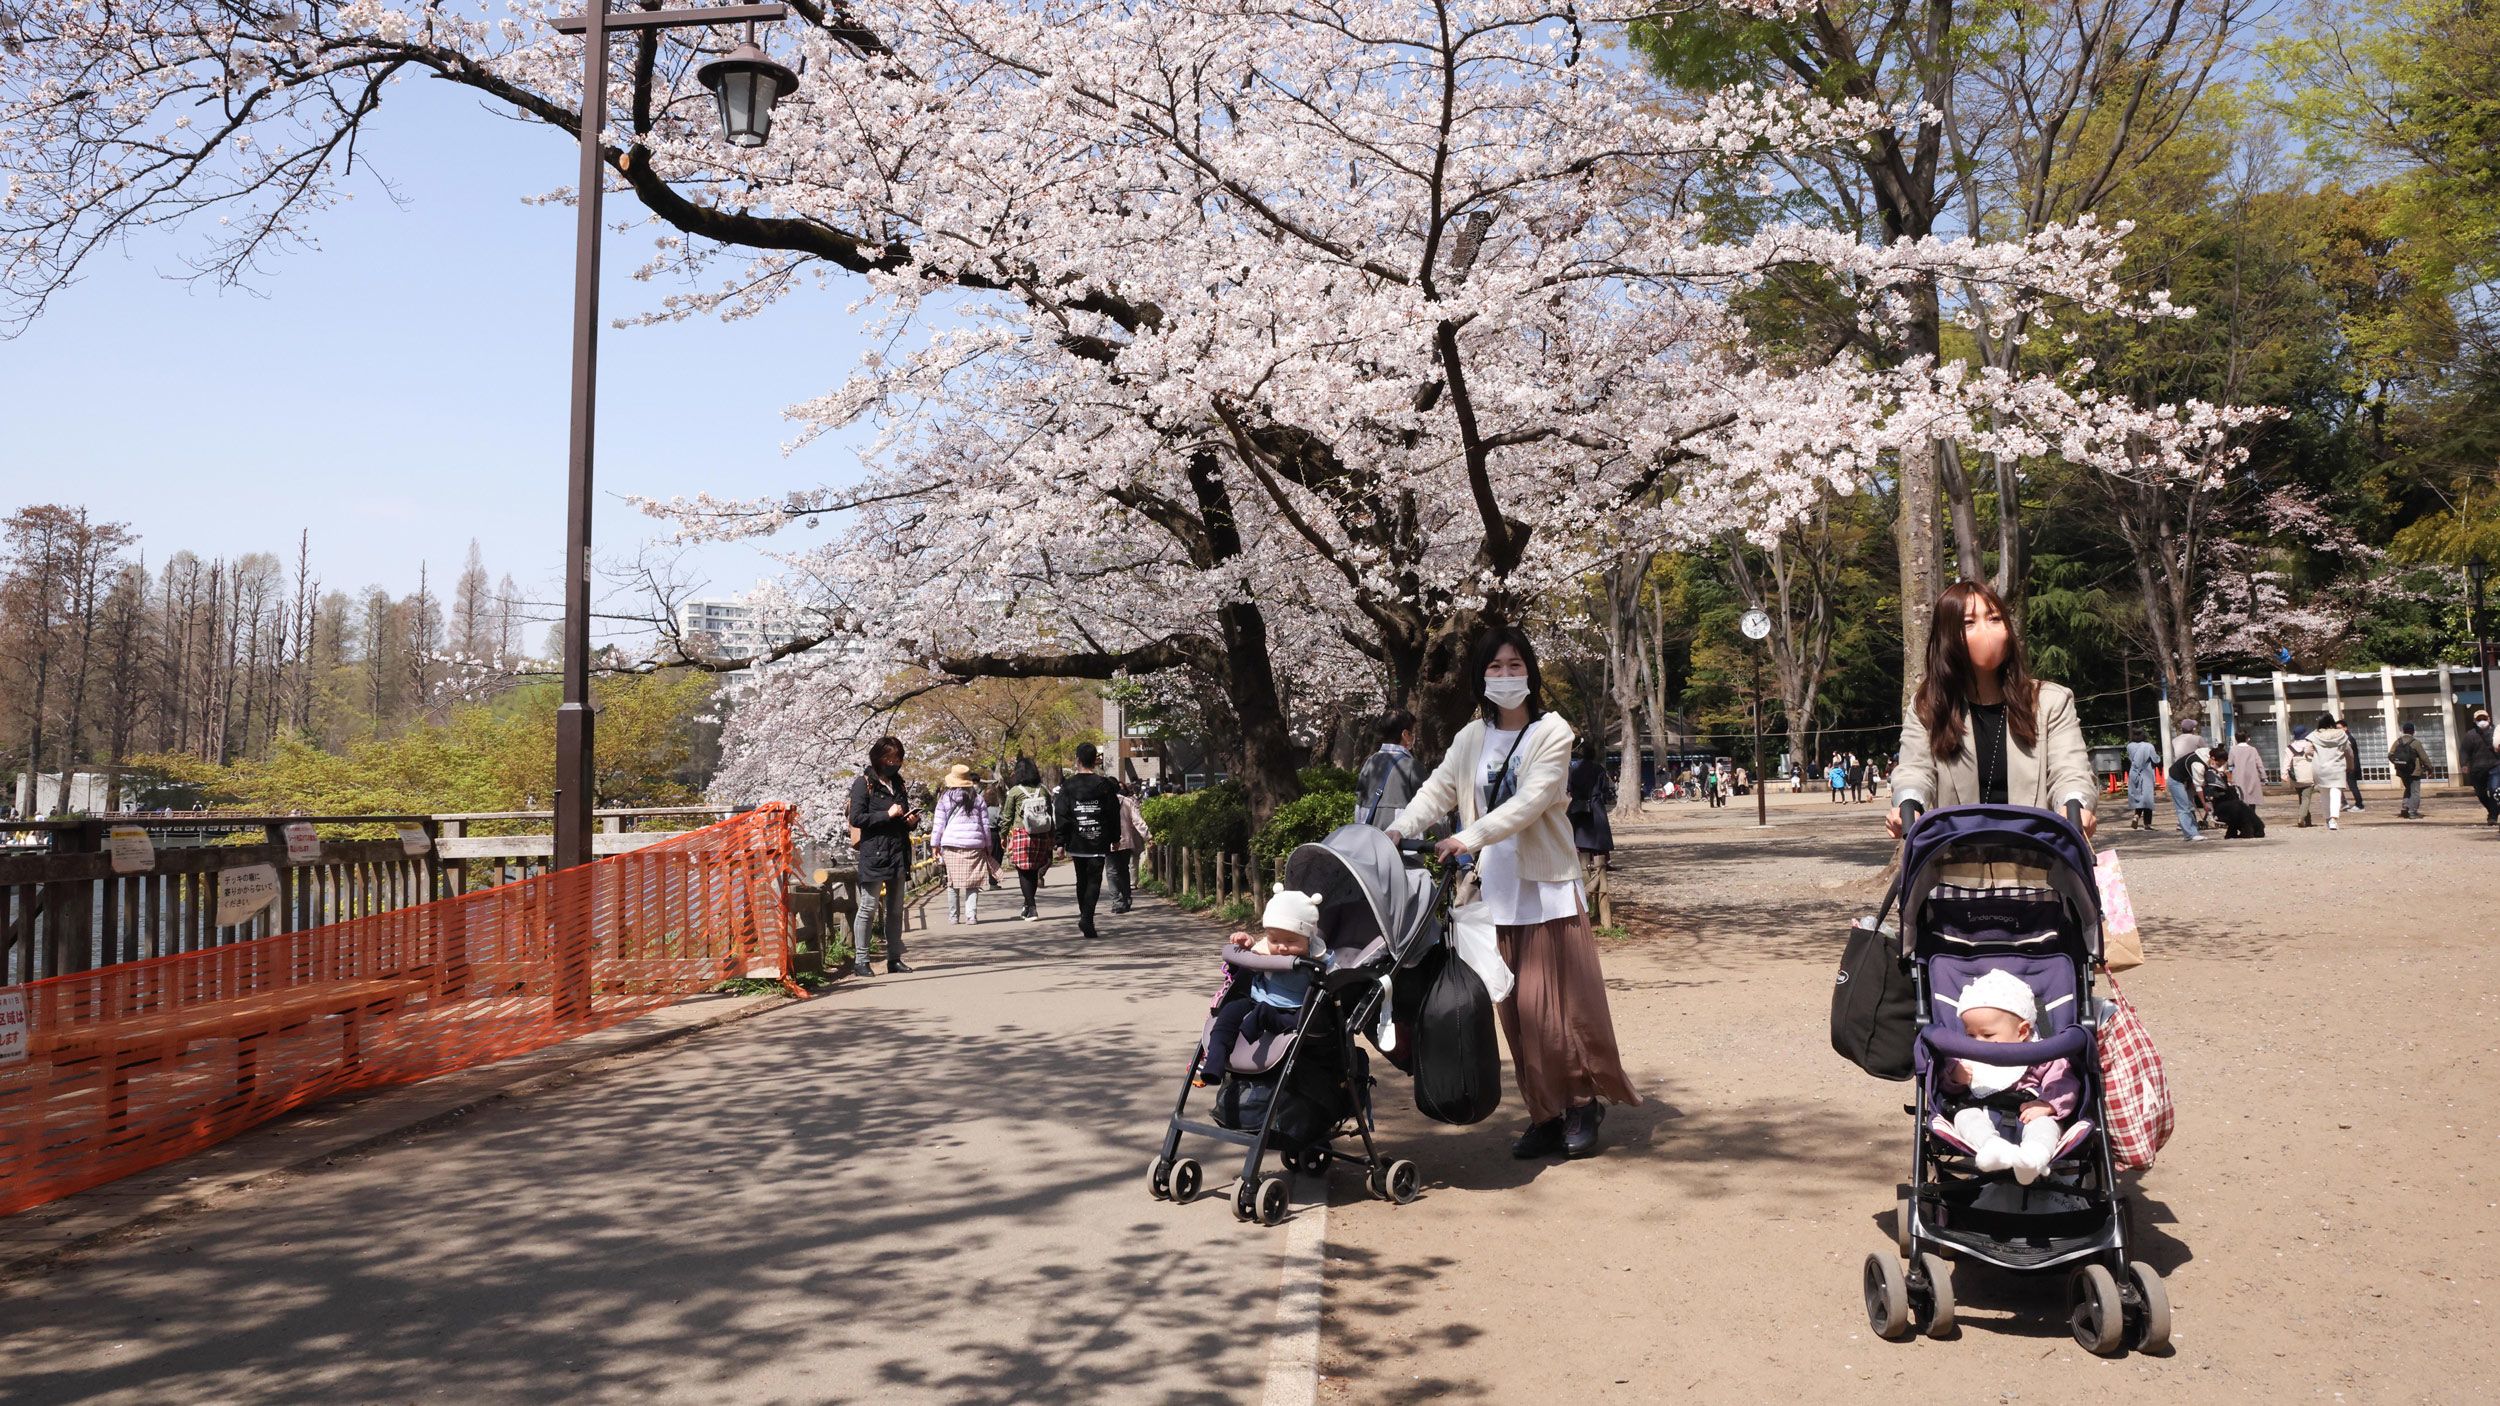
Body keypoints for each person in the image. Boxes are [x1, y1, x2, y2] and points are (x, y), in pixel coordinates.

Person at [1385, 627, 1639, 1161]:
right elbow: (1439, 788)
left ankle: (1579, 1103)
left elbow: (1532, 801)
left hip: (1544, 889)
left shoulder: (1554, 731)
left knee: (1550, 1009)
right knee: (1512, 1013)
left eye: (1515, 665)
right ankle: (1543, 1113)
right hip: (1491, 894)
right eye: (1495, 667)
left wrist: (1467, 835)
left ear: (1531, 672)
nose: (1505, 676)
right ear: (1481, 676)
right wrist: (1395, 828)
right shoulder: (1471, 736)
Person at [1886, 581, 2097, 840]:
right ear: (1947, 636)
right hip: (1958, 864)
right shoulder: (1928, 707)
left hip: (2037, 861)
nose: (1986, 631)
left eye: (1995, 618)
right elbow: (1915, 771)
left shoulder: (2051, 702)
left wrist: (2074, 804)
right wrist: (1908, 804)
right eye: (1968, 622)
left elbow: (2070, 770)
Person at [1937, 969, 2082, 1187]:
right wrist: (1955, 1077)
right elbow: (1947, 1086)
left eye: (1987, 1035)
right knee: (1965, 1117)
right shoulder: (1966, 1056)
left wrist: (2049, 1105)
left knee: (2045, 1125)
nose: (1977, 1042)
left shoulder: (2041, 1053)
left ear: (2023, 1031)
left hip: (2029, 1113)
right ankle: (1992, 1147)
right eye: (1970, 1035)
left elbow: (2062, 1080)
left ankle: (2034, 1157)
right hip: (1982, 1112)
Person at [1193, 889, 1328, 1087]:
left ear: (1308, 938)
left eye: (1291, 941)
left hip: (1293, 1008)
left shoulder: (1319, 957)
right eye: (1274, 940)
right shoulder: (1266, 949)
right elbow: (1251, 957)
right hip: (1257, 998)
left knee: (1299, 1020)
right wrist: (1246, 946)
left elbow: (1334, 972)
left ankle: (1265, 1017)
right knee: (1227, 1013)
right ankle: (1215, 1059)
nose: (1281, 947)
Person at [845, 736, 922, 975]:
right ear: (877, 758)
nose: (893, 762)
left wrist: (911, 821)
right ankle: (861, 960)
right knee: (868, 906)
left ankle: (894, 958)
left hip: (898, 852)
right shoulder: (863, 783)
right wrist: (886, 814)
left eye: (897, 758)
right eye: (889, 758)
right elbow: (857, 818)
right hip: (875, 853)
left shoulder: (898, 783)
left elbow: (902, 815)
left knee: (896, 909)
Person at [1055, 742, 1123, 940]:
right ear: (1095, 760)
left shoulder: (1068, 785)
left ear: (1077, 759)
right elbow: (1112, 813)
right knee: (1094, 880)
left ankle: (1085, 916)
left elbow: (1062, 814)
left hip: (1077, 840)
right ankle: (1087, 918)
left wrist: (1060, 841)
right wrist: (1115, 838)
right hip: (1098, 839)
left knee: (1081, 880)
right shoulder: (1104, 785)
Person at [930, 764, 993, 926]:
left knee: (952, 881)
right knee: (973, 882)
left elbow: (939, 824)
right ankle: (971, 916)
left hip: (951, 844)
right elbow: (985, 824)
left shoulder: (945, 798)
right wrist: (988, 844)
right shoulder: (978, 799)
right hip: (974, 844)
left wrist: (934, 844)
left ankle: (953, 916)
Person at [1000, 756, 1055, 920]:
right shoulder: (1043, 790)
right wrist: (1052, 836)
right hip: (1041, 834)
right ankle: (1027, 904)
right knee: (1033, 869)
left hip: (1022, 833)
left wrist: (1003, 835)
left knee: (1023, 871)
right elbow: (1050, 813)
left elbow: (1007, 816)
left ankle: (1031, 907)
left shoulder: (1015, 792)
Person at [1355, 710, 1427, 830]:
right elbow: (1428, 803)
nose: (1414, 737)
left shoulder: (1370, 761)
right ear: (1405, 735)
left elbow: (1360, 803)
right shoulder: (1411, 766)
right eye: (1412, 733)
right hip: (1400, 840)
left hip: (1370, 836)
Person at [2309, 712, 2355, 831]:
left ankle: (2328, 818)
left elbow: (2308, 751)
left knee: (2324, 793)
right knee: (2335, 792)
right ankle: (2334, 819)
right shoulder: (2341, 734)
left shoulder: (2314, 735)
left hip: (2319, 768)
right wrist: (2350, 766)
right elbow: (2349, 752)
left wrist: (2315, 755)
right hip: (2337, 767)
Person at [1110, 779, 1151, 913]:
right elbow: (1138, 821)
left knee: (1112, 872)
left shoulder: (1102, 802)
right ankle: (1126, 898)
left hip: (1108, 843)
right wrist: (1148, 836)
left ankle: (1117, 901)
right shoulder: (1128, 802)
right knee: (1123, 870)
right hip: (1125, 841)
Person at [2164, 716, 2206, 842]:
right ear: (2193, 729)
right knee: (2187, 803)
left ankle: (2190, 829)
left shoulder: (2175, 740)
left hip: (2179, 770)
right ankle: (2190, 832)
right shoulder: (2198, 739)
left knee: (2186, 803)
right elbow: (2205, 753)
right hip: (2190, 772)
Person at [2462, 709, 2499, 826]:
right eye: (2479, 719)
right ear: (2474, 721)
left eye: (2484, 718)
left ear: (2489, 719)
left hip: (2495, 766)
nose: (2482, 721)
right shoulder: (2470, 735)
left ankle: (2493, 816)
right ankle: (2492, 810)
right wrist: (2463, 764)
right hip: (2477, 769)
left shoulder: (2496, 733)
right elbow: (2464, 751)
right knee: (2481, 793)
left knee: (2494, 790)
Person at [2388, 723, 2431, 819]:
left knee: (2408, 789)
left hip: (2402, 772)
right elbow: (2424, 757)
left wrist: (2398, 764)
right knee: (2415, 791)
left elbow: (2390, 755)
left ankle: (2405, 809)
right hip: (2414, 771)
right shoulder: (2415, 743)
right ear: (2413, 731)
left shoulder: (2397, 742)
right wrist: (2429, 768)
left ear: (2403, 731)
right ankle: (2412, 812)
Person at [2124, 727, 2161, 830]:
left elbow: (2131, 758)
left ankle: (2136, 815)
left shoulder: (2129, 746)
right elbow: (2155, 759)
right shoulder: (2148, 746)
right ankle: (2147, 824)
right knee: (2147, 799)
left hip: (2134, 773)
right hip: (2146, 773)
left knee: (2138, 797)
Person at [2286, 724, 2320, 827]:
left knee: (2302, 798)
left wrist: (2284, 774)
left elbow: (2286, 763)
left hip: (2296, 778)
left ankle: (2307, 821)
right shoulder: (2309, 745)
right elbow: (2316, 755)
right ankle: (2301, 817)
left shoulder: (2290, 747)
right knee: (2306, 798)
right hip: (2307, 776)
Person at [2228, 731, 2267, 818]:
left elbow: (2230, 763)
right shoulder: (2253, 749)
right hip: (2252, 776)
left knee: (2240, 796)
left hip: (2238, 776)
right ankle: (2252, 816)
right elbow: (2259, 763)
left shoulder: (2233, 749)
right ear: (2246, 738)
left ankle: (2242, 817)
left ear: (2236, 739)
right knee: (2252, 798)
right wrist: (2263, 776)